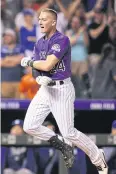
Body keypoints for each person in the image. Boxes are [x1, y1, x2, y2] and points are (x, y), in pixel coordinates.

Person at [21, 8, 108, 173]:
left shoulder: (62, 39)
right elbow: (37, 69)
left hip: (61, 89)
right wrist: (38, 77)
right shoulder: (39, 42)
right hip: (45, 89)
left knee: (69, 132)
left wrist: (29, 62)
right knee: (29, 125)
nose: (40, 22)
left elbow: (47, 65)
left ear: (53, 22)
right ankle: (59, 143)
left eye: (44, 19)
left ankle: (98, 156)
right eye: (39, 19)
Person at [1, 29, 25, 98]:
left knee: (19, 104)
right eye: (5, 36)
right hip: (5, 81)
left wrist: (7, 59)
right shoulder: (1, 48)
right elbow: (1, 63)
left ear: (14, 37)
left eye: (8, 36)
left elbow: (21, 60)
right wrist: (15, 61)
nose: (6, 37)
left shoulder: (20, 47)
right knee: (5, 104)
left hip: (19, 81)